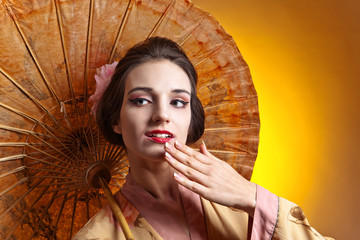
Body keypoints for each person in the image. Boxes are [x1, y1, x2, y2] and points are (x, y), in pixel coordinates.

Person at [74, 37, 332, 240]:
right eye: (141, 100)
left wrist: (254, 198)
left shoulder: (240, 205)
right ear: (116, 120)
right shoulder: (97, 235)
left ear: (191, 118)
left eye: (178, 102)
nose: (162, 115)